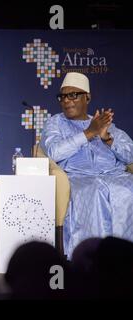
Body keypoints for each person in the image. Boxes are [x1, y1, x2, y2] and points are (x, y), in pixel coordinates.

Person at [40, 72, 133, 258]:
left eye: (73, 95)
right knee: (94, 191)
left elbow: (130, 154)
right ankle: (91, 259)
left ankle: (124, 259)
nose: (67, 101)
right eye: (63, 96)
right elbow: (53, 152)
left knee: (127, 190)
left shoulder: (103, 123)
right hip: (78, 178)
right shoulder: (55, 123)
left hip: (115, 176)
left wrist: (108, 139)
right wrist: (88, 133)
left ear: (87, 98)